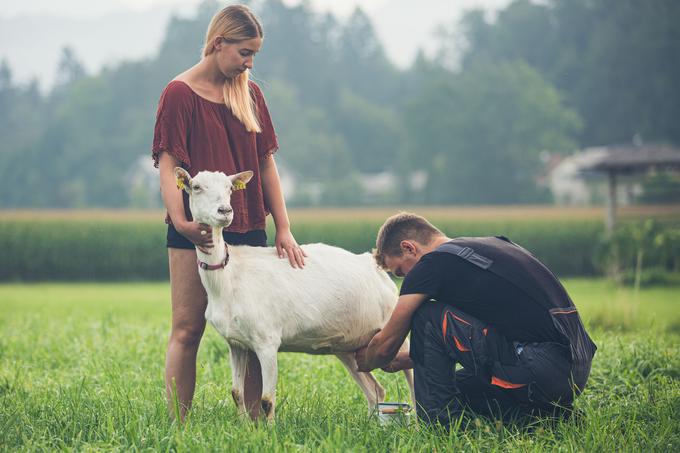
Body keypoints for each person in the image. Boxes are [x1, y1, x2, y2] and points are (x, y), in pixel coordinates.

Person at [152, 4, 306, 421]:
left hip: (246, 225)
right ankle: (177, 425)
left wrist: (284, 228)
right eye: (244, 53)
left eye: (254, 54)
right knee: (187, 329)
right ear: (219, 43)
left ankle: (256, 424)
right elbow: (169, 165)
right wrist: (182, 223)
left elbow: (266, 164)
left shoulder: (250, 94)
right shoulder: (179, 94)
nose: (249, 63)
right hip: (194, 230)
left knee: (254, 335)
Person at [355, 212, 596, 425]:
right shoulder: (494, 246)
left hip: (538, 367)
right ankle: (545, 416)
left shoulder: (432, 264)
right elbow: (505, 328)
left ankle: (438, 425)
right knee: (457, 389)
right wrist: (406, 359)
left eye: (400, 271)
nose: (405, 277)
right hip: (573, 370)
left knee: (427, 316)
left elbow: (384, 347)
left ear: (409, 248)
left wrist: (367, 359)